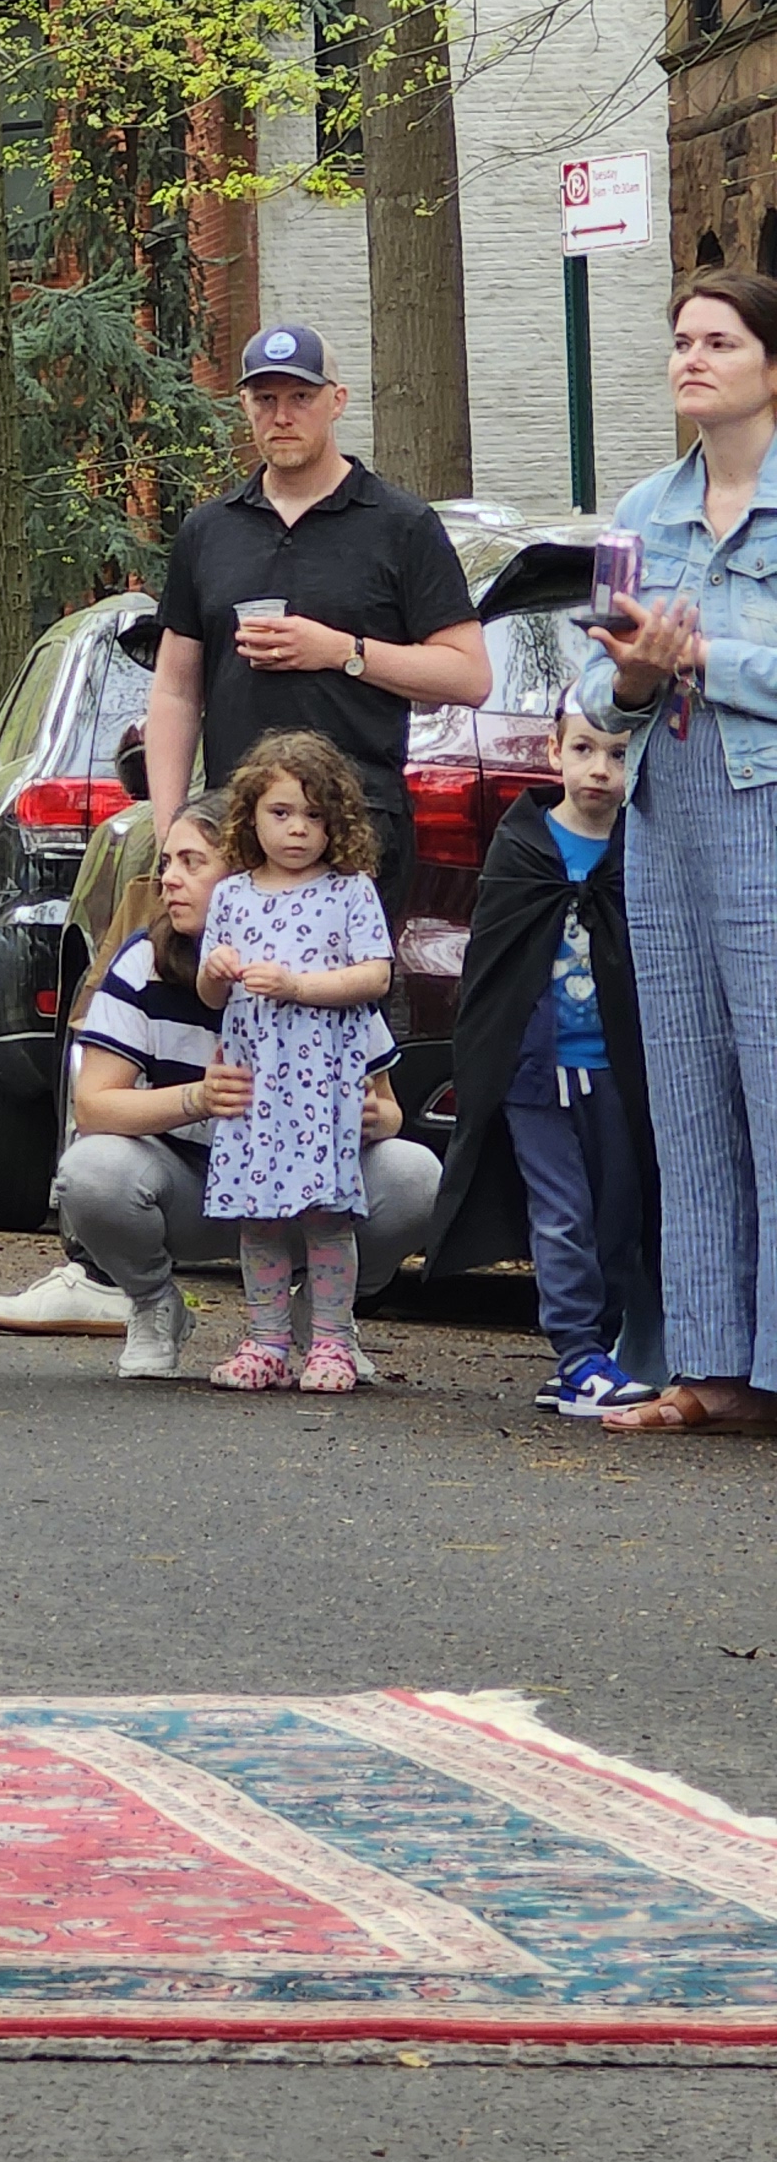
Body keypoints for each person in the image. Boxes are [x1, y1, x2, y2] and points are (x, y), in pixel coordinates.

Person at [578, 272, 777, 1436]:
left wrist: (705, 661)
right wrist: (638, 674)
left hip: (766, 811)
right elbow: (599, 699)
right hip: (663, 819)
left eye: (719, 340)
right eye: (679, 341)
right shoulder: (636, 513)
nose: (691, 357)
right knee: (692, 1094)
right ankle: (710, 1370)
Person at [51, 802, 432, 1381]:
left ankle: (325, 1318)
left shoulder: (317, 963)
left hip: (308, 1187)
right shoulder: (146, 960)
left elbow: (390, 1109)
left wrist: (371, 1118)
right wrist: (196, 1099)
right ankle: (155, 1305)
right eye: (167, 861)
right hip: (190, 1187)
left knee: (414, 1175)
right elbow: (94, 1104)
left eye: (191, 863)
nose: (168, 879)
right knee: (91, 1171)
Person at [141, 326, 491, 880]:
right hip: (236, 832)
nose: (282, 416)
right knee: (236, 973)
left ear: (337, 401)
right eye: (266, 399)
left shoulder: (401, 526)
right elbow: (176, 691)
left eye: (301, 398)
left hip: (357, 832)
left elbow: (469, 675)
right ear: (245, 407)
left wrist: (339, 651)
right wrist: (172, 835)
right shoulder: (208, 532)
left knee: (349, 974)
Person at [441, 706, 661, 1415]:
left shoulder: (644, 851)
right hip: (534, 1070)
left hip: (619, 1073)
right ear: (553, 751)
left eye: (619, 754)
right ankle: (576, 1352)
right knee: (560, 1213)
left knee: (618, 1218)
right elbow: (491, 968)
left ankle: (592, 1354)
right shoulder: (523, 847)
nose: (599, 768)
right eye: (585, 749)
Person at [192, 733, 397, 1394]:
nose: (299, 829)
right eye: (282, 813)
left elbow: (376, 975)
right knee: (261, 1215)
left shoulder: (350, 892)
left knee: (325, 1213)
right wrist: (217, 971)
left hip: (321, 1079)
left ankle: (332, 1340)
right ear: (251, 814)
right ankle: (266, 1339)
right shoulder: (232, 896)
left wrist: (300, 986)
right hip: (256, 1082)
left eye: (315, 816)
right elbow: (208, 990)